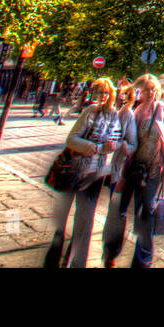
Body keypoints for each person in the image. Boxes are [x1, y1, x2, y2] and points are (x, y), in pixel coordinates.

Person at [44, 78, 123, 268]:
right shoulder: (89, 112)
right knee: (61, 221)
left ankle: (76, 263)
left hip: (94, 174)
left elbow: (115, 140)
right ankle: (54, 260)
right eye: (99, 93)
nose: (102, 97)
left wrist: (112, 146)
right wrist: (94, 147)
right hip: (73, 170)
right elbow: (71, 139)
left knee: (85, 223)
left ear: (111, 95)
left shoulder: (114, 115)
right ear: (93, 94)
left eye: (106, 93)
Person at [128, 74, 164, 267]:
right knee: (137, 211)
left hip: (155, 169)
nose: (149, 93)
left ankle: (145, 257)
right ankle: (138, 252)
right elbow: (130, 140)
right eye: (145, 90)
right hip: (137, 168)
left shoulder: (163, 108)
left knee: (148, 211)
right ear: (139, 92)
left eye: (152, 90)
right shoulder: (136, 111)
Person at [99, 80, 140, 267]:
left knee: (119, 212)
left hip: (131, 171)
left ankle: (111, 253)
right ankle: (110, 253)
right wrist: (122, 146)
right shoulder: (128, 114)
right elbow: (128, 144)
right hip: (123, 171)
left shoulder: (136, 113)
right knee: (118, 213)